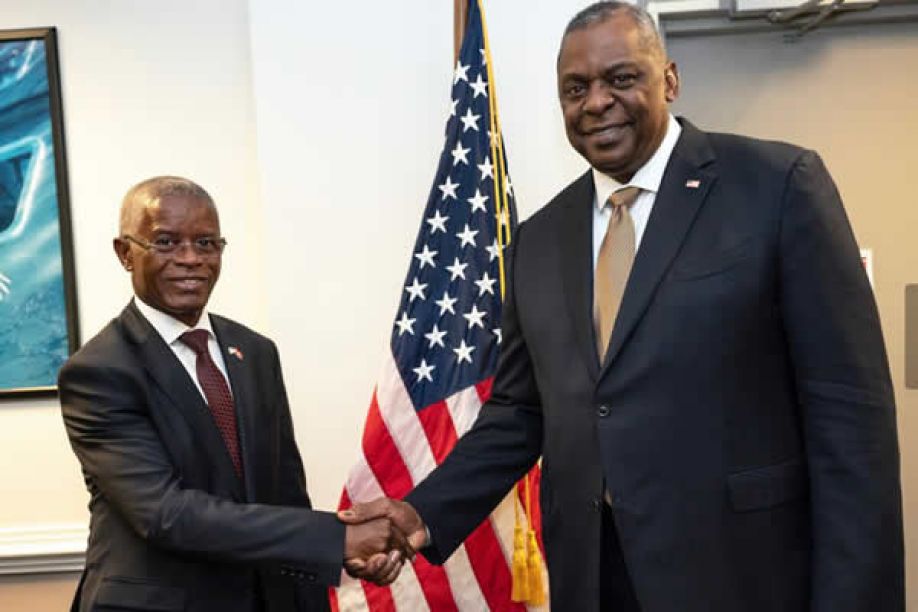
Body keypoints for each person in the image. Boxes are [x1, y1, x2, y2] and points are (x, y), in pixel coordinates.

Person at [338, 3, 904, 611]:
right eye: (575, 89)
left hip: (740, 573)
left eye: (621, 78)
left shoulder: (778, 185)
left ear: (670, 79)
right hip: (594, 577)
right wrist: (421, 513)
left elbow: (850, 420)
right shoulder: (539, 240)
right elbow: (519, 413)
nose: (597, 102)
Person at [59, 176, 407, 612]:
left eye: (206, 243)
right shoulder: (99, 371)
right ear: (125, 253)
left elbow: (285, 493)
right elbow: (166, 513)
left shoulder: (255, 352)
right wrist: (335, 539)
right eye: (166, 242)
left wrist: (338, 554)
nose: (191, 258)